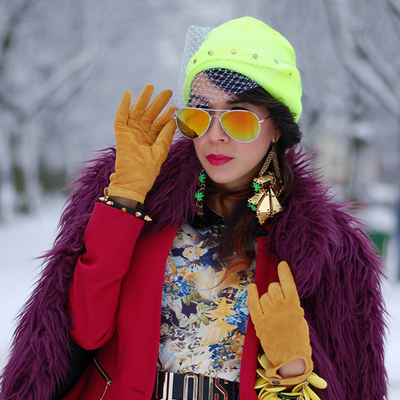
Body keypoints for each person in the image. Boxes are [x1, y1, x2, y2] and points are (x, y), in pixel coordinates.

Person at [0, 17, 387, 400]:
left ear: (277, 129)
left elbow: (351, 381)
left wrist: (292, 369)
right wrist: (125, 199)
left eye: (239, 118)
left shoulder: (326, 253)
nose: (215, 135)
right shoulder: (147, 210)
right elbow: (83, 332)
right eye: (201, 115)